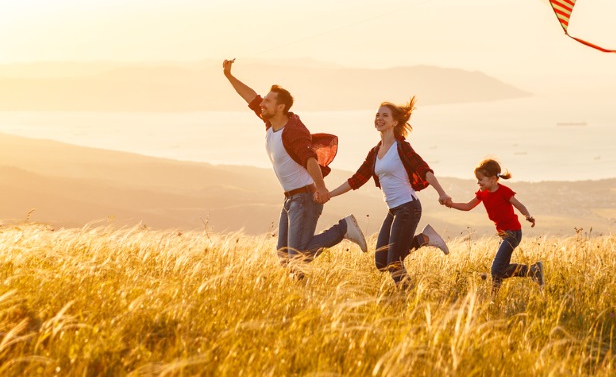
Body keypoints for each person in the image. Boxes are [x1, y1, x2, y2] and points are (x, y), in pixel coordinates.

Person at [222, 59, 367, 264]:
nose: (262, 104)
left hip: (305, 199)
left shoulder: (293, 131)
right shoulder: (270, 122)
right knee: (284, 255)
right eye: (263, 100)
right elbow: (251, 97)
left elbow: (310, 160)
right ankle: (301, 290)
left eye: (268, 101)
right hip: (291, 199)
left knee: (296, 257)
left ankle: (343, 229)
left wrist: (321, 187)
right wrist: (229, 76)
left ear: (281, 107)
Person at [328, 97, 450, 288]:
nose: (379, 118)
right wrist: (329, 194)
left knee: (394, 263)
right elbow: (356, 180)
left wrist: (442, 193)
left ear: (395, 122)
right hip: (394, 210)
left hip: (408, 208)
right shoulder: (375, 152)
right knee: (381, 262)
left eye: (385, 115)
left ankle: (408, 300)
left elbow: (424, 171)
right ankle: (424, 239)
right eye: (377, 114)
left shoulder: (402, 147)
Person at [444, 158, 543, 290]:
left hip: (513, 233)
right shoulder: (483, 193)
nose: (478, 182)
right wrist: (451, 205)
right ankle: (533, 270)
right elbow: (468, 206)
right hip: (504, 234)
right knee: (501, 270)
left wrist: (528, 216)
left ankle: (494, 296)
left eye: (480, 179)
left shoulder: (504, 191)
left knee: (495, 268)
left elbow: (519, 205)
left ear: (492, 179)